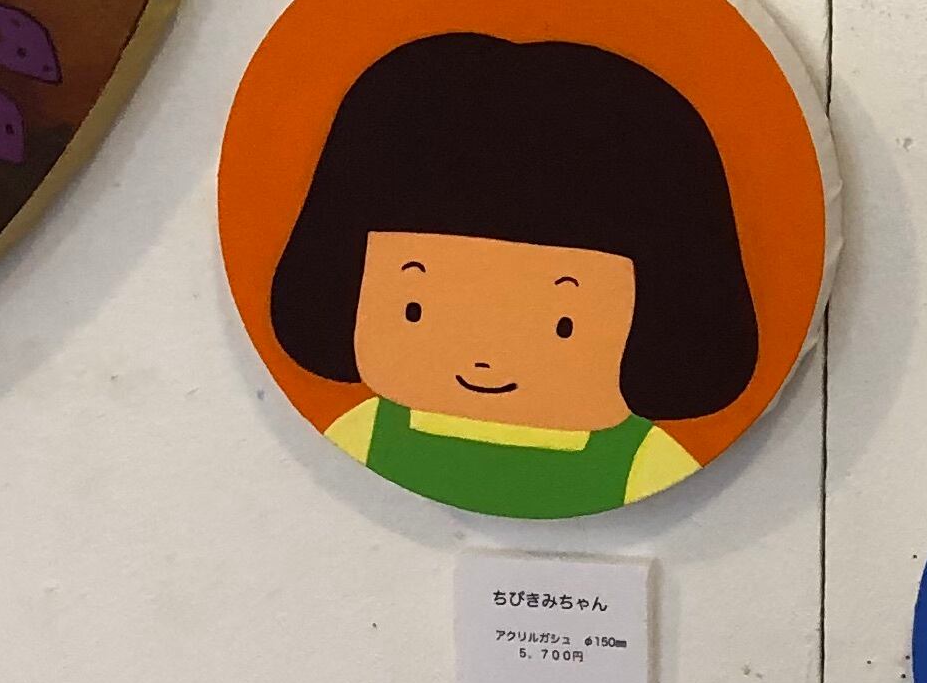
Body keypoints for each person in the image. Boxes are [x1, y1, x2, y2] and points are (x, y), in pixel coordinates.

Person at [268, 30, 760, 516]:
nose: (485, 358)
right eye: (415, 309)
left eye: (563, 324)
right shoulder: (365, 432)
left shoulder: (644, 463)